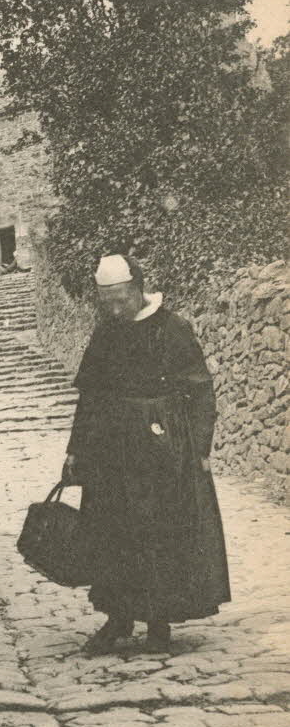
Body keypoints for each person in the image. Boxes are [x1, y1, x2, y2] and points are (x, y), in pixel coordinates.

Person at [62, 254, 230, 655]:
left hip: (162, 448)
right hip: (110, 452)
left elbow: (201, 389)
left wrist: (201, 447)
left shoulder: (172, 328)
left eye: (121, 299)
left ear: (138, 288)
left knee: (159, 532)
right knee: (112, 533)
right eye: (108, 303)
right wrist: (75, 451)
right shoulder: (105, 334)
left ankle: (158, 623)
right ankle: (117, 619)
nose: (116, 309)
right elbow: (90, 397)